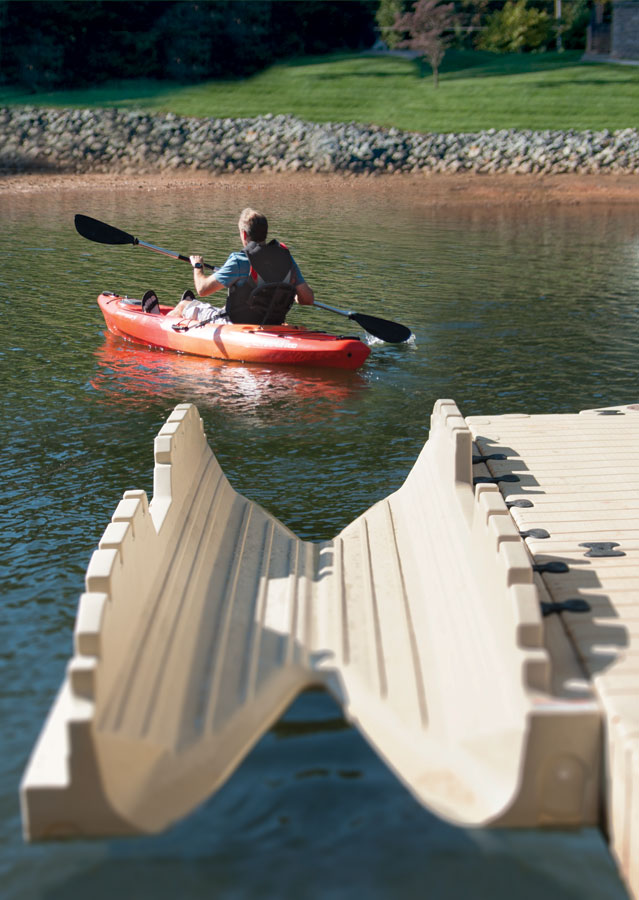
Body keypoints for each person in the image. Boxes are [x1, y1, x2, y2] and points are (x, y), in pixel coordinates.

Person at [167, 208, 314, 326]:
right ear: (265, 233)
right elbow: (307, 299)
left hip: (234, 324)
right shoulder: (286, 258)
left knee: (183, 305)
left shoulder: (239, 260)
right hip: (272, 323)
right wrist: (288, 293)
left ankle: (156, 323)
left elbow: (202, 289)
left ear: (244, 234)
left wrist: (198, 266)